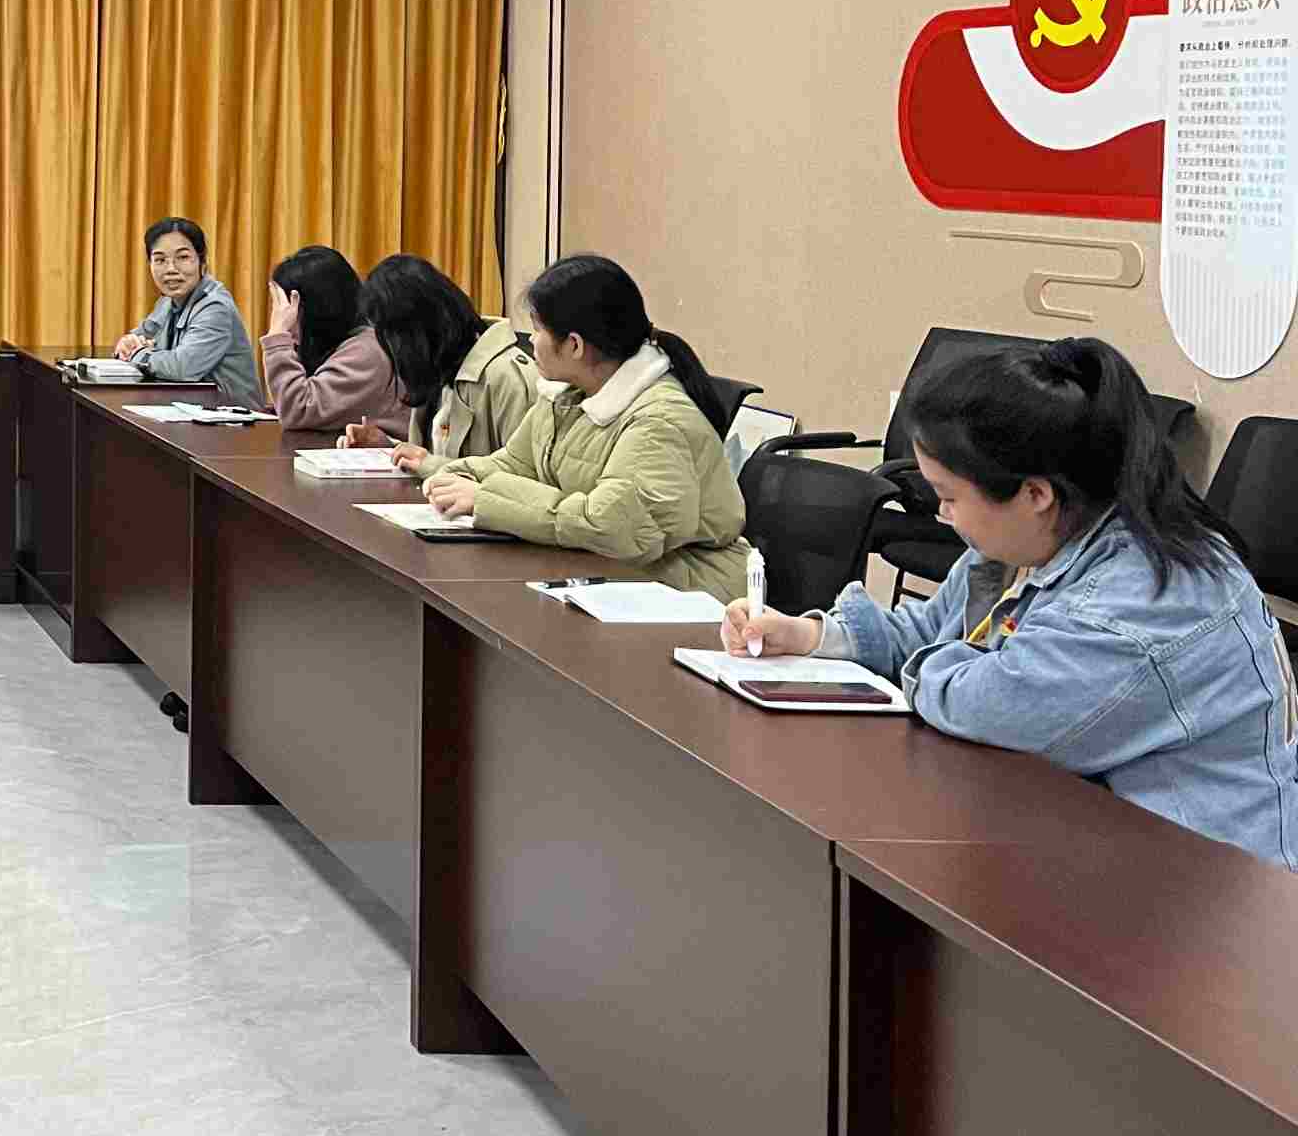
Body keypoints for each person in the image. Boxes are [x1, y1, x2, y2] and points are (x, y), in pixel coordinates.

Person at [724, 340, 1298, 869]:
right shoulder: (1033, 536)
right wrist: (809, 637)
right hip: (1094, 837)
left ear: (1035, 493)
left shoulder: (1141, 601)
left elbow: (986, 702)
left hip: (1209, 888)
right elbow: (932, 631)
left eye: (949, 497)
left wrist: (937, 664)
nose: (942, 515)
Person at [421, 253, 751, 599]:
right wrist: (458, 476)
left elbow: (613, 527)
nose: (530, 340)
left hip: (689, 593)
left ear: (575, 345)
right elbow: (515, 463)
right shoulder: (564, 396)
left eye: (538, 329)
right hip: (610, 572)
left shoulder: (659, 421)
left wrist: (487, 499)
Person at [340, 252, 546, 472]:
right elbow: (435, 456)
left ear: (416, 333)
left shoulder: (507, 380)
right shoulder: (440, 368)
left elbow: (521, 479)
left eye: (390, 337)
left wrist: (427, 464)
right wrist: (388, 447)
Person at [258, 245, 410, 436]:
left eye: (289, 311)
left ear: (317, 310)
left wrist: (278, 335)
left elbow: (299, 411)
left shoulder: (367, 352)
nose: (283, 318)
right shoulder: (339, 344)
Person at [109, 216, 262, 404]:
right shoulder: (167, 301)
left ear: (202, 262)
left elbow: (183, 367)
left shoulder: (215, 307)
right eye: (160, 260)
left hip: (231, 416)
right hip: (186, 408)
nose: (171, 269)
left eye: (182, 258)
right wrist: (127, 342)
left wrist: (138, 354)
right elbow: (142, 334)